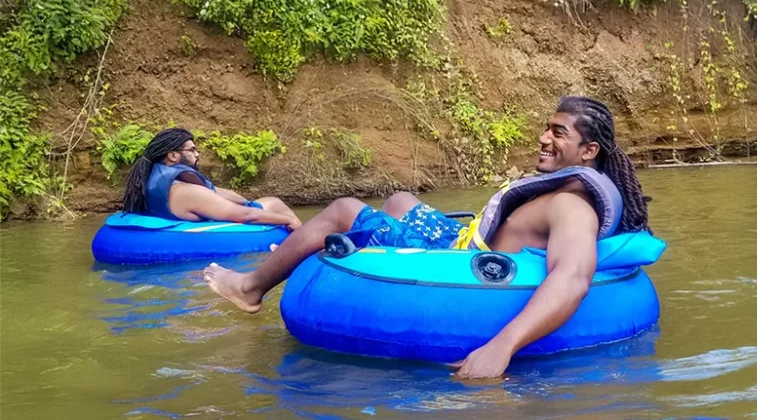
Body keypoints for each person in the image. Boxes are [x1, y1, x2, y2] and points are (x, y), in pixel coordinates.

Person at [203, 96, 651, 378]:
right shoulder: (568, 188)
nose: (543, 138)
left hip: (459, 266)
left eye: (558, 133)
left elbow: (572, 278)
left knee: (343, 210)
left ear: (588, 151)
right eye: (546, 127)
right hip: (463, 239)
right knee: (399, 200)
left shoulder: (573, 205)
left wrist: (502, 346)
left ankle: (249, 288)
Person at [122, 128, 301, 230]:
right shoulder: (186, 192)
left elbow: (224, 196)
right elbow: (245, 215)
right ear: (173, 156)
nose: (197, 154)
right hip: (233, 219)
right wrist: (288, 221)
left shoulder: (147, 181)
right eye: (192, 150)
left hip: (177, 219)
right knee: (274, 203)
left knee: (265, 202)